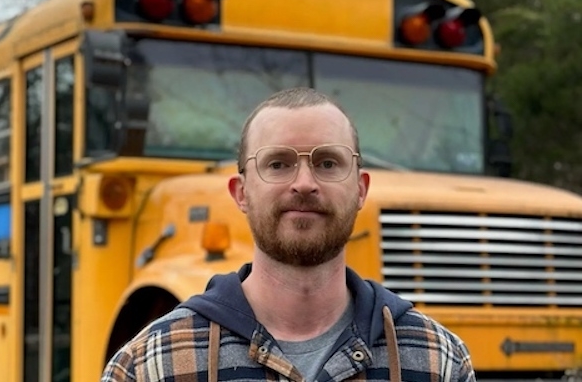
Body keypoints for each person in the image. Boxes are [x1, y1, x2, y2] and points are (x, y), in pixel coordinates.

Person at [101, 87, 475, 382]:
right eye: (278, 164)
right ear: (241, 192)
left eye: (328, 163)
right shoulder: (153, 366)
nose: (304, 183)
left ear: (361, 189)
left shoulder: (435, 361)